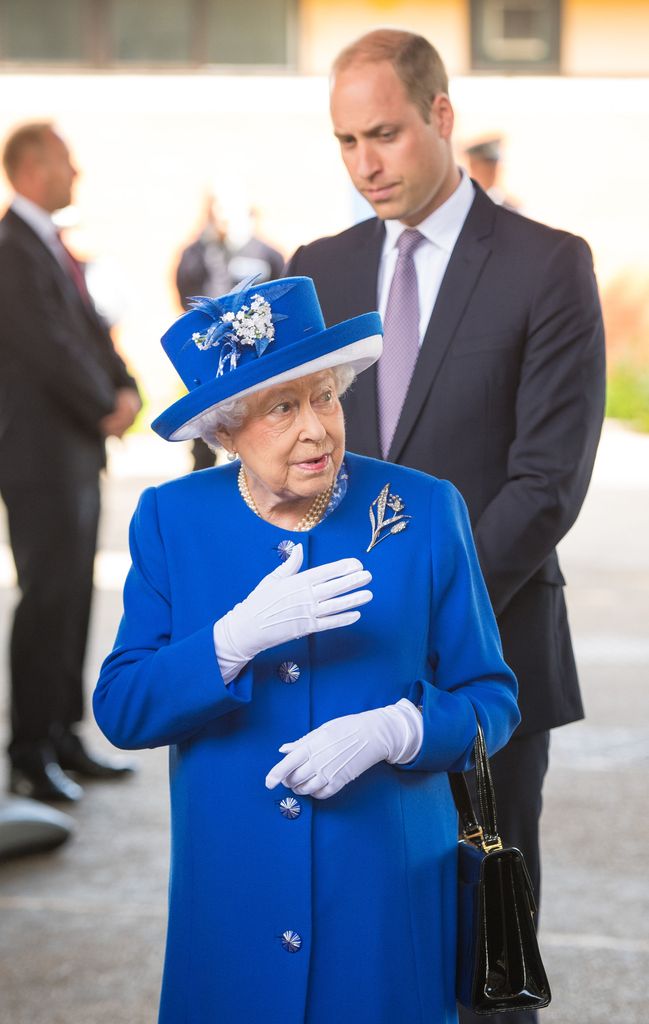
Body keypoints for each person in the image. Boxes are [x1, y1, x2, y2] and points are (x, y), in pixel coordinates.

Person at [285, 29, 606, 1023]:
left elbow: (545, 484)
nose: (364, 164)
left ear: (441, 116)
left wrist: (420, 617)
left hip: (488, 659)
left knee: (482, 956)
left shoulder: (547, 265)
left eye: (382, 133)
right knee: (356, 940)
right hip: (335, 660)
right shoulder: (317, 270)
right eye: (344, 141)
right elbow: (289, 461)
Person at [93, 275, 520, 1022]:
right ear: (225, 429)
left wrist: (400, 730)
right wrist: (228, 642)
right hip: (233, 899)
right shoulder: (172, 519)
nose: (316, 428)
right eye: (281, 408)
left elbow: (492, 702)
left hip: (387, 902)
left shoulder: (422, 509)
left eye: (324, 396)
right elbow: (124, 710)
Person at [0, 122, 141, 803]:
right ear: (30, 168)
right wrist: (101, 404)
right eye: (65, 162)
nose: (75, 174)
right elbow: (47, 345)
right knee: (47, 597)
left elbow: (91, 330)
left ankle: (63, 735)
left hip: (74, 451)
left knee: (76, 597)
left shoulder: (54, 247)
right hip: (36, 455)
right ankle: (29, 749)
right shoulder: (10, 248)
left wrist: (127, 388)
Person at [176, 189, 284, 470]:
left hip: (257, 357)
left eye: (231, 208)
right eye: (219, 209)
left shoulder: (266, 253)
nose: (224, 216)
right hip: (211, 355)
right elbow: (184, 297)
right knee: (206, 429)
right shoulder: (197, 253)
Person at [463, 136, 521, 211]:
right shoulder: (465, 204)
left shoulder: (512, 208)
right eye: (486, 166)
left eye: (494, 165)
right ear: (473, 166)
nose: (491, 172)